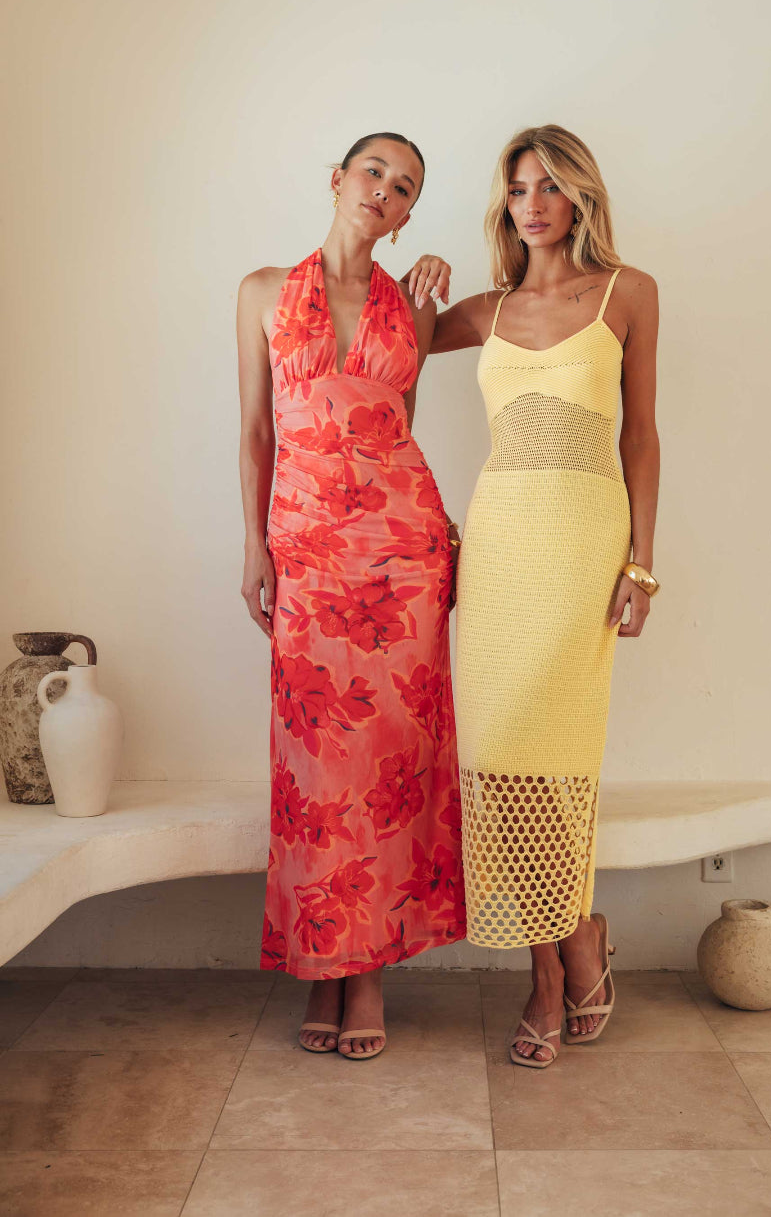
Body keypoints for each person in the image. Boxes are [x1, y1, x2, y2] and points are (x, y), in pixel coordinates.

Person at [409, 124, 660, 1067]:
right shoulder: (489, 307)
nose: (534, 203)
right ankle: (568, 948)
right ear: (504, 203)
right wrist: (415, 283)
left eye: (551, 185)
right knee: (501, 757)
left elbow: (642, 436)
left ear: (581, 195)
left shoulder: (628, 293)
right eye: (519, 189)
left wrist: (641, 562)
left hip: (582, 539)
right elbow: (389, 356)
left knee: (553, 755)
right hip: (502, 540)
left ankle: (549, 974)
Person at [236, 133, 465, 1062]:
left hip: (400, 555)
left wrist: (424, 307)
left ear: (409, 214)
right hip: (304, 551)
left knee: (385, 757)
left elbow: (395, 430)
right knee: (314, 767)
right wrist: (254, 542)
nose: (385, 190)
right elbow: (256, 430)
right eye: (374, 171)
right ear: (337, 180)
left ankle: (364, 976)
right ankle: (323, 961)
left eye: (404, 186)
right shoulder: (260, 291)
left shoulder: (409, 310)